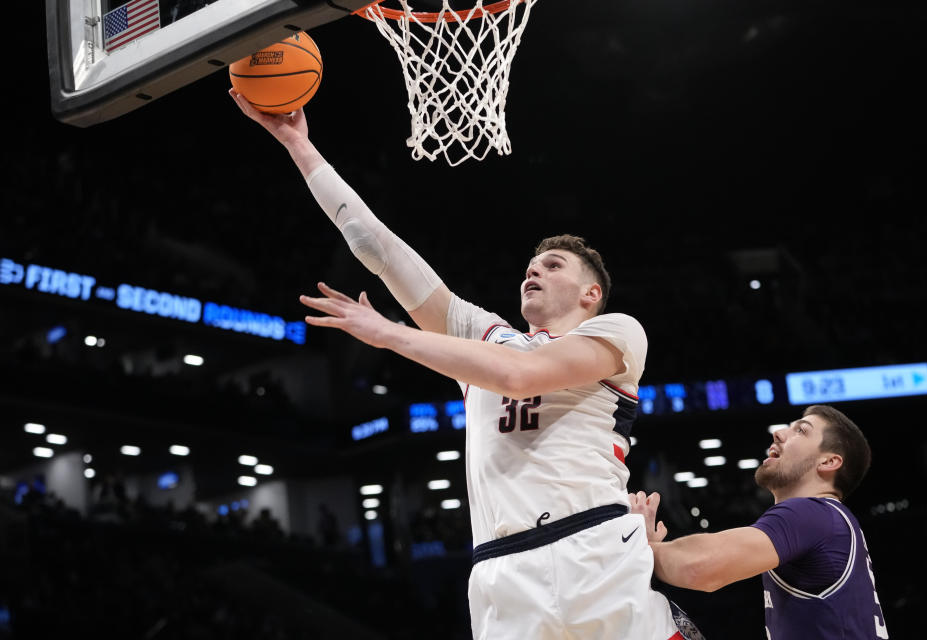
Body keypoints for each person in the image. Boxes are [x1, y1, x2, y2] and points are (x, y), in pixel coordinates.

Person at [230, 89, 702, 640]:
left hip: (591, 550)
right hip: (500, 574)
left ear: (591, 292)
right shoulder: (489, 338)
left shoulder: (618, 332)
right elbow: (376, 247)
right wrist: (298, 146)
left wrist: (391, 334)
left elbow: (520, 377)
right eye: (529, 265)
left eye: (552, 265)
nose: (534, 271)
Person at [631, 404, 890, 639]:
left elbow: (699, 567)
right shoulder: (830, 519)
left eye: (801, 431)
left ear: (829, 461)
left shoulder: (812, 514)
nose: (779, 434)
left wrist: (643, 546)